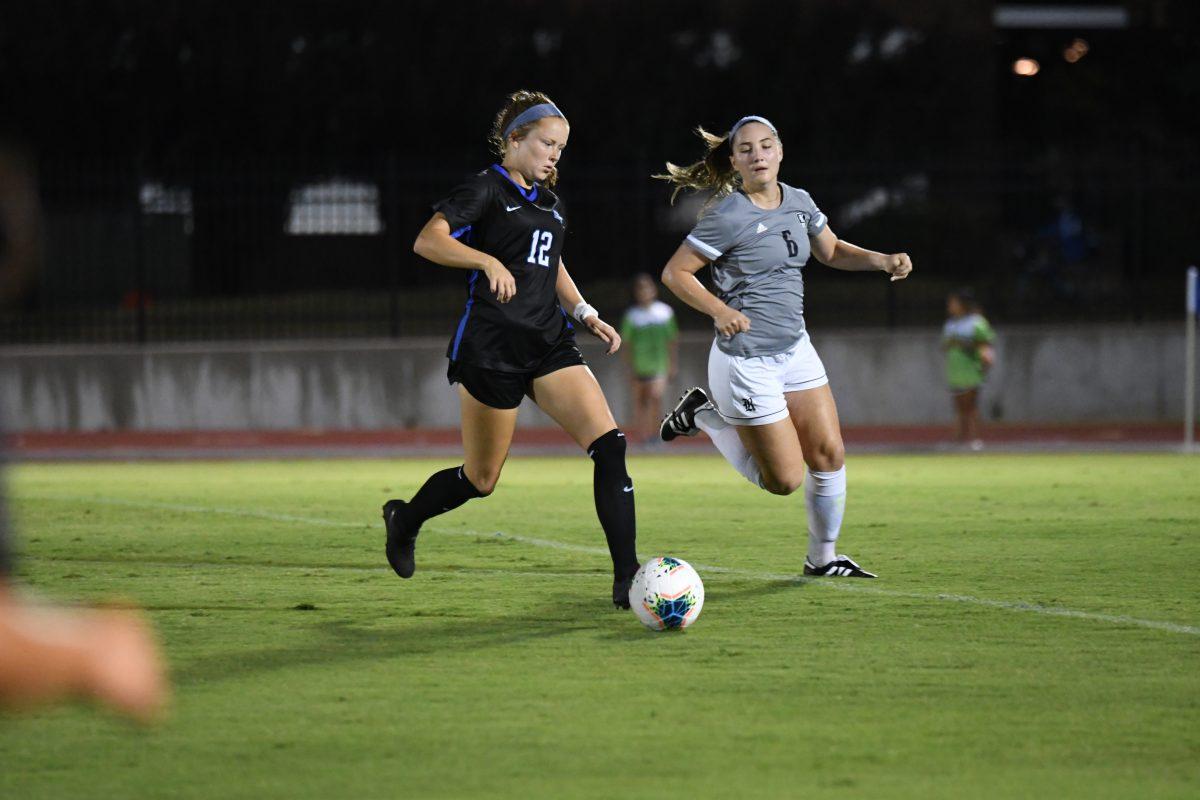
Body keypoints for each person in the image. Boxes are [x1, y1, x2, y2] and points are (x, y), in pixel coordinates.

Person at [385, 90, 640, 607]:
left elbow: (552, 265)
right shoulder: (483, 189)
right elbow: (428, 240)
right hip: (491, 350)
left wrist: (587, 313)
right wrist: (485, 261)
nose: (554, 155)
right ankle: (405, 519)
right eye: (547, 143)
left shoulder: (549, 202)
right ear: (514, 139)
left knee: (610, 447)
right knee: (481, 479)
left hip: (549, 345)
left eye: (561, 148)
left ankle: (627, 578)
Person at [655, 116, 912, 578]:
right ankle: (703, 416)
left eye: (766, 145)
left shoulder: (798, 200)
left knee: (829, 454)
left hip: (795, 349)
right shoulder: (727, 215)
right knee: (785, 480)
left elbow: (830, 250)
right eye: (747, 149)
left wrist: (881, 260)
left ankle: (823, 558)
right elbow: (675, 274)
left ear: (780, 151)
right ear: (734, 161)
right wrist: (718, 310)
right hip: (745, 361)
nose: (757, 155)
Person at [619, 273, 678, 445]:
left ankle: (655, 434)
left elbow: (672, 340)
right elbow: (627, 343)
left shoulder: (665, 312)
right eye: (640, 289)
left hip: (659, 364)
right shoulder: (632, 315)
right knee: (640, 402)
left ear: (653, 290)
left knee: (655, 397)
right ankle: (643, 436)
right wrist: (628, 367)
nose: (644, 292)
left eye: (647, 288)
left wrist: (672, 364)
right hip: (639, 365)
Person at [942, 288, 995, 450]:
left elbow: (985, 346)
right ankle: (958, 440)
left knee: (971, 406)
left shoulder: (976, 323)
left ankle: (975, 439)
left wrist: (984, 364)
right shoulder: (951, 324)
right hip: (955, 371)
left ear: (963, 304)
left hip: (971, 369)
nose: (950, 306)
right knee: (958, 408)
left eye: (953, 303)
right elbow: (945, 346)